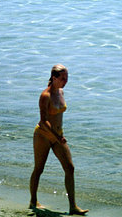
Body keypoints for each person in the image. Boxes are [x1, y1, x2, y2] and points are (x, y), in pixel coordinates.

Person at [29, 64, 88, 215]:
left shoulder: (61, 91)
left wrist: (59, 135)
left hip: (58, 135)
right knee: (39, 169)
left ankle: (73, 206)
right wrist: (57, 137)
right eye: (62, 78)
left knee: (70, 168)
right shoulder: (45, 96)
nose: (65, 81)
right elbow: (43, 121)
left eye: (67, 78)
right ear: (54, 78)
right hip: (43, 135)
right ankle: (33, 201)